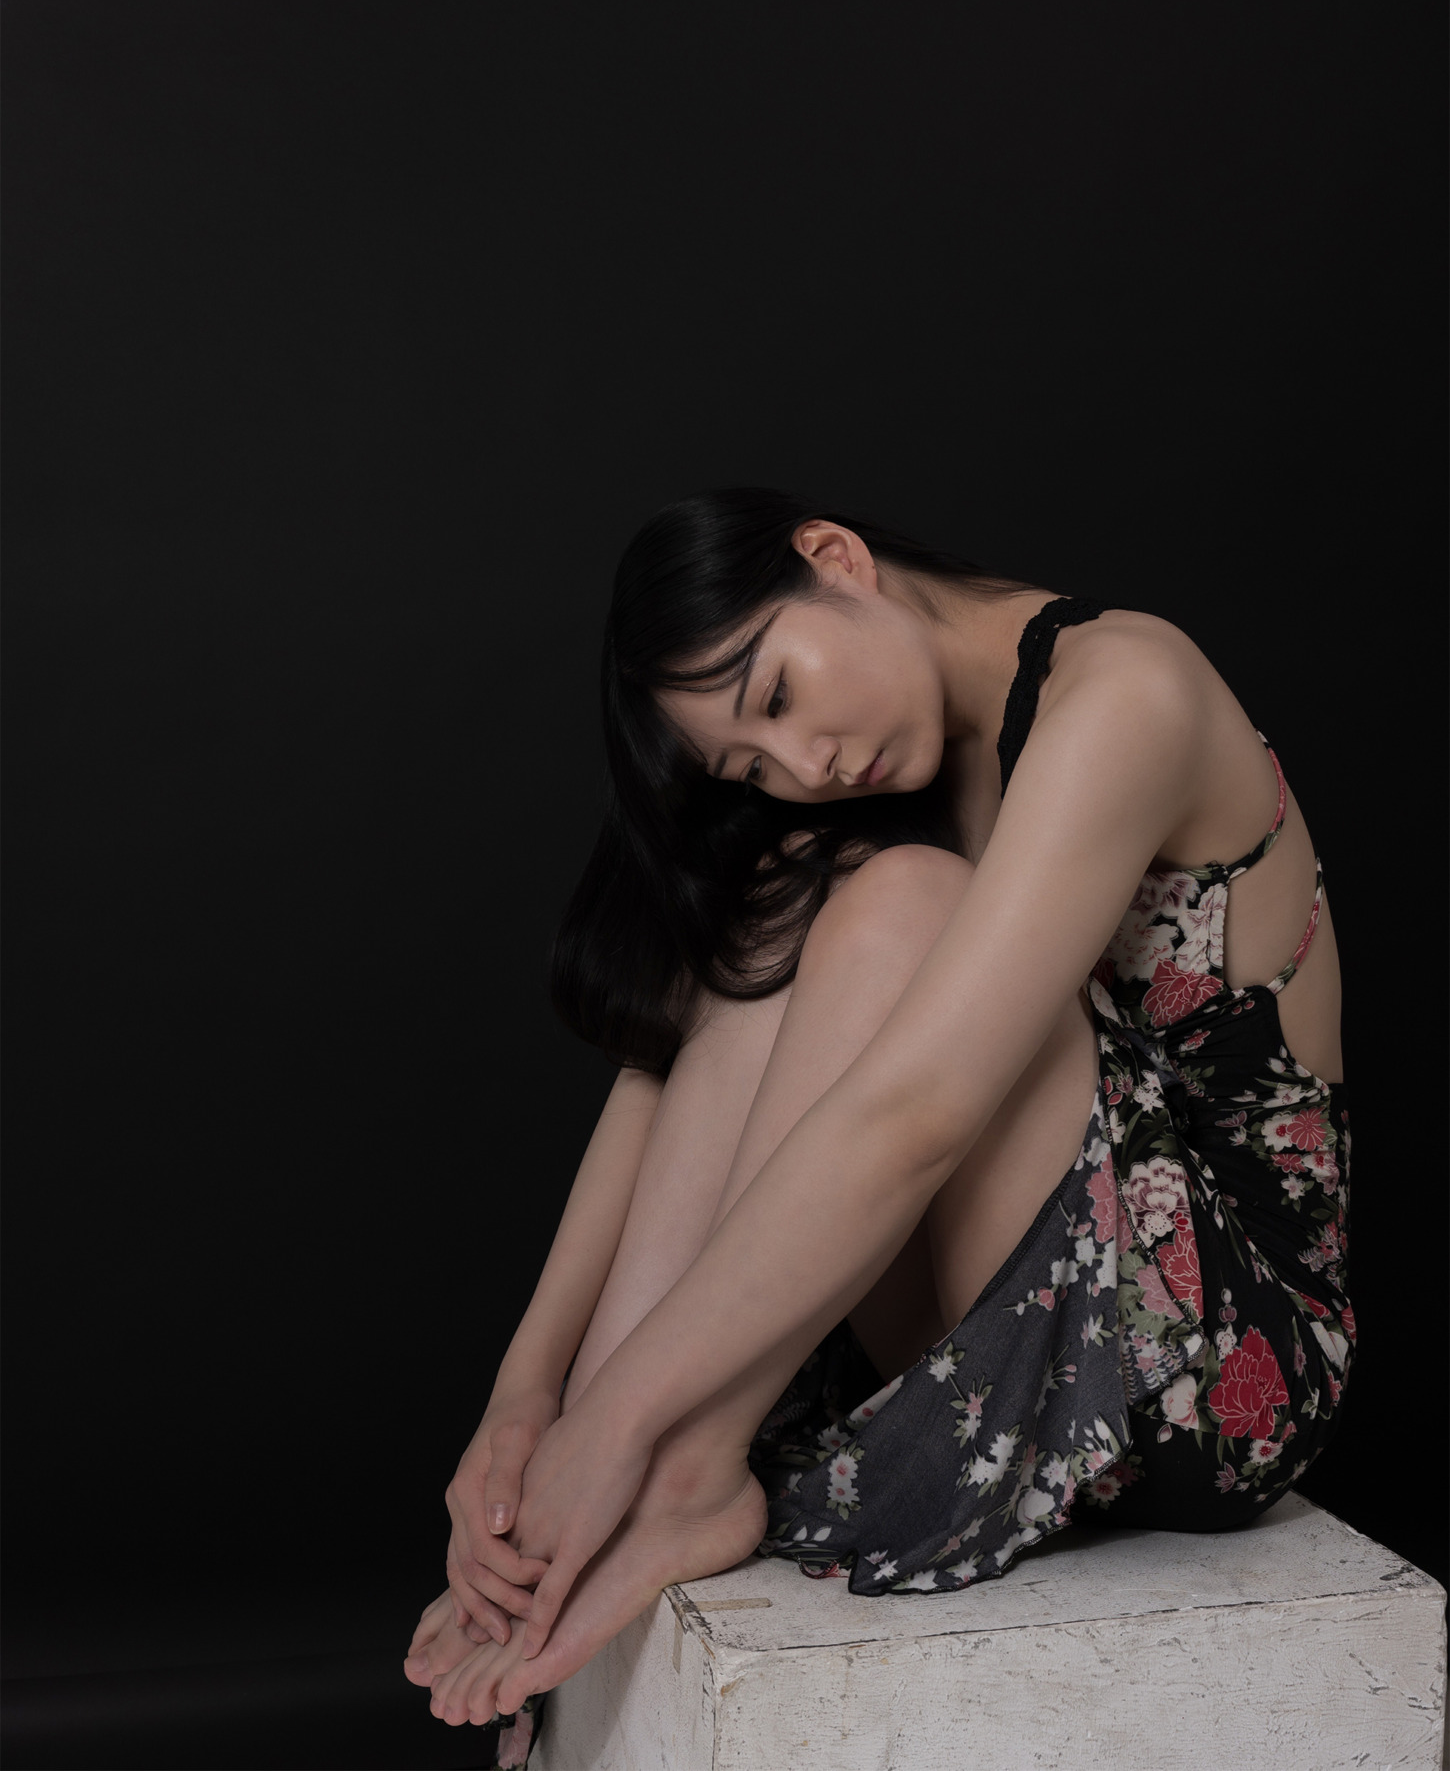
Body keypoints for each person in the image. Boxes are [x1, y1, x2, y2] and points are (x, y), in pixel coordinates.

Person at [403, 489, 1352, 1756]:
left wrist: (622, 1419)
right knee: (784, 908)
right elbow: (673, 1068)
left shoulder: (1127, 685)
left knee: (898, 893)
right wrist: (531, 1403)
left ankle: (680, 1470)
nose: (804, 763)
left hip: (1223, 1363)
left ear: (834, 557)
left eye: (778, 694)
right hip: (1019, 1292)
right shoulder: (874, 786)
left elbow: (918, 1112)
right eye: (751, 764)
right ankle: (595, 1525)